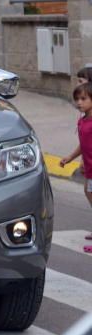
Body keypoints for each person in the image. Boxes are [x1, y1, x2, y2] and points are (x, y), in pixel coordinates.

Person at [60, 82, 92, 253]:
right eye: (77, 99)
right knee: (88, 193)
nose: (79, 102)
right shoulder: (82, 120)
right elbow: (84, 144)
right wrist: (71, 158)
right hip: (89, 167)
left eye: (83, 99)